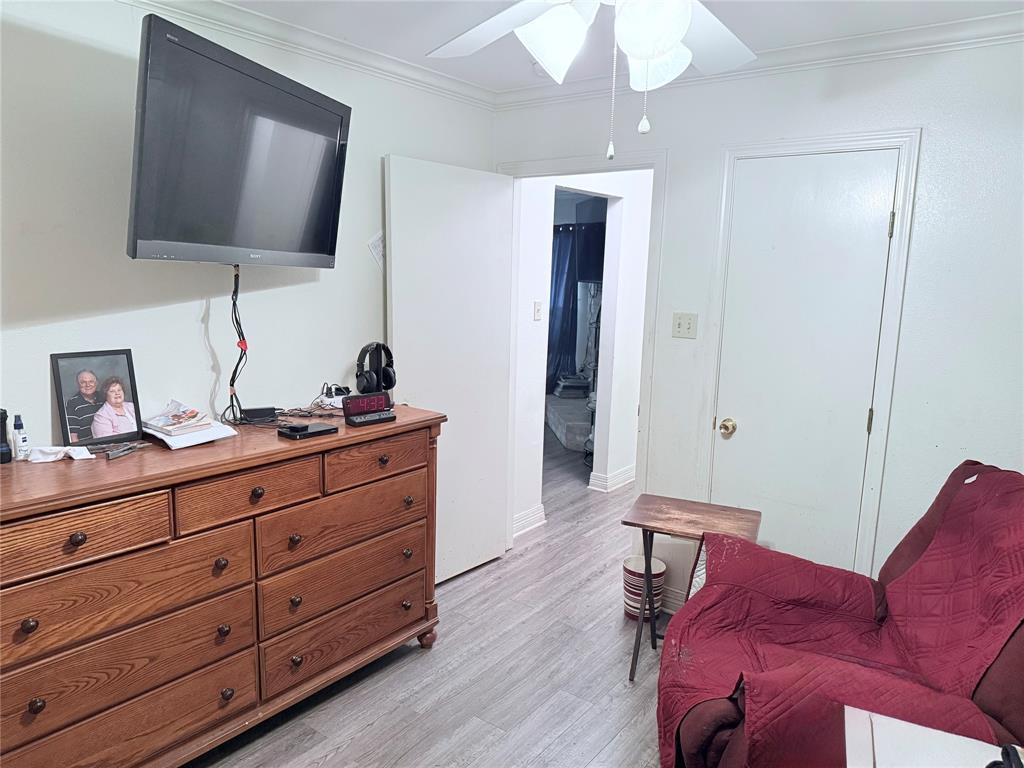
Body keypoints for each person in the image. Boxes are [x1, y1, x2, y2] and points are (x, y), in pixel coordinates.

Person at [65, 369, 104, 443]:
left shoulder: (104, 397)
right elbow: (73, 437)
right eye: (83, 382)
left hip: (108, 443)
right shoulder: (72, 403)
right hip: (87, 447)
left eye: (91, 381)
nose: (88, 385)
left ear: (97, 383)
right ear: (77, 384)